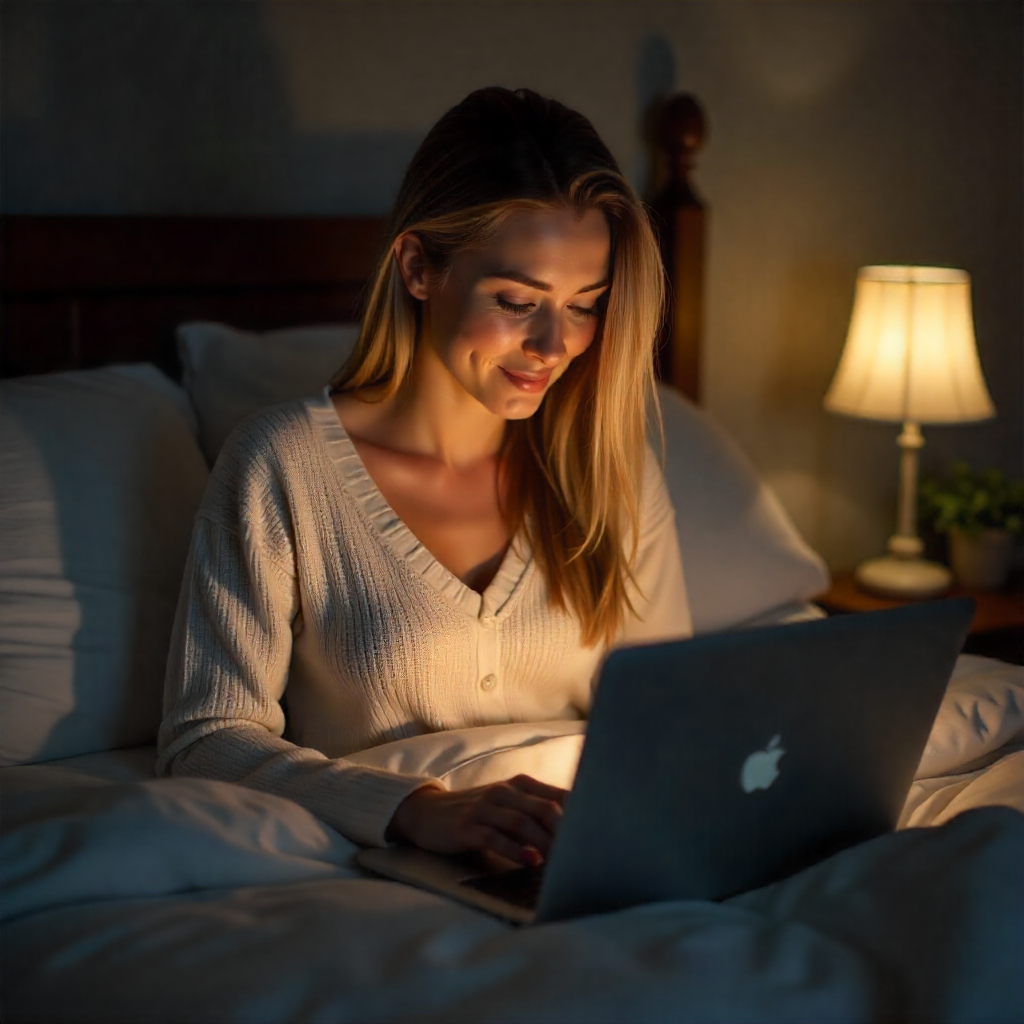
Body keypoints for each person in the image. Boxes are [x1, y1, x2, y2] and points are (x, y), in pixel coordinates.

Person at [157, 87, 691, 870]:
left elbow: (664, 711)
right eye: (517, 301)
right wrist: (412, 811)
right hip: (383, 879)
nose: (554, 344)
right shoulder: (283, 466)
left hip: (581, 868)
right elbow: (204, 737)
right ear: (417, 268)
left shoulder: (607, 467)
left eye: (585, 305)